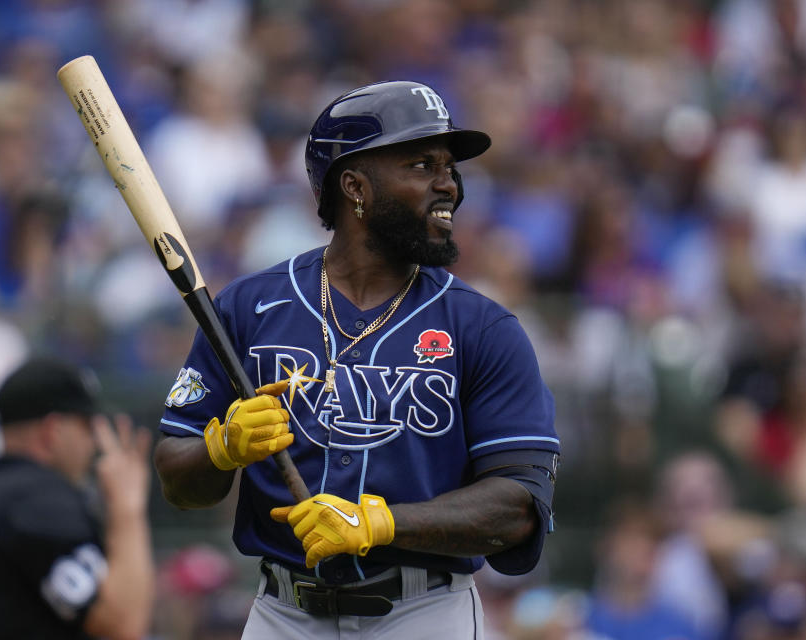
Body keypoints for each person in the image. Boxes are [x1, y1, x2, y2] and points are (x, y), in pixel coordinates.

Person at [155, 81, 560, 638]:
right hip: (283, 613)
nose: (450, 186)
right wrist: (220, 448)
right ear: (355, 187)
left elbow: (517, 506)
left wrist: (380, 522)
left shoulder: (482, 328)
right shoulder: (248, 308)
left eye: (450, 168)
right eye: (423, 165)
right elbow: (177, 478)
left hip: (423, 615)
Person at [0, 356, 154, 640]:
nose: (93, 442)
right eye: (86, 427)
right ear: (52, 431)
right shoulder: (43, 505)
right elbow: (123, 625)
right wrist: (127, 507)